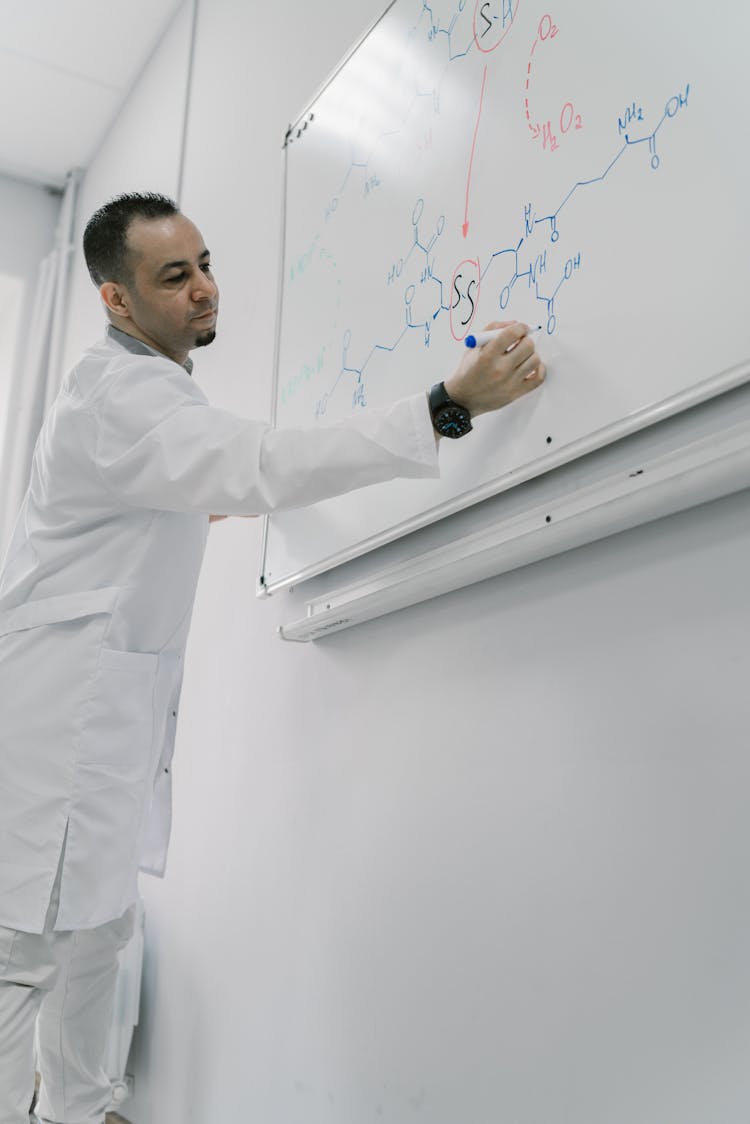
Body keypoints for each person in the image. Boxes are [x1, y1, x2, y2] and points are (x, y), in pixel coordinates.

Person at [0, 192, 545, 1124]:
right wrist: (445, 407)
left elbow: (186, 487)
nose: (206, 289)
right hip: (60, 728)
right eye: (175, 277)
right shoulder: (120, 395)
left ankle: (83, 1112)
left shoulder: (146, 398)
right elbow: (261, 462)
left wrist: (197, 503)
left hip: (98, 726)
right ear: (115, 300)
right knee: (26, 956)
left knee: (97, 933)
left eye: (206, 263)